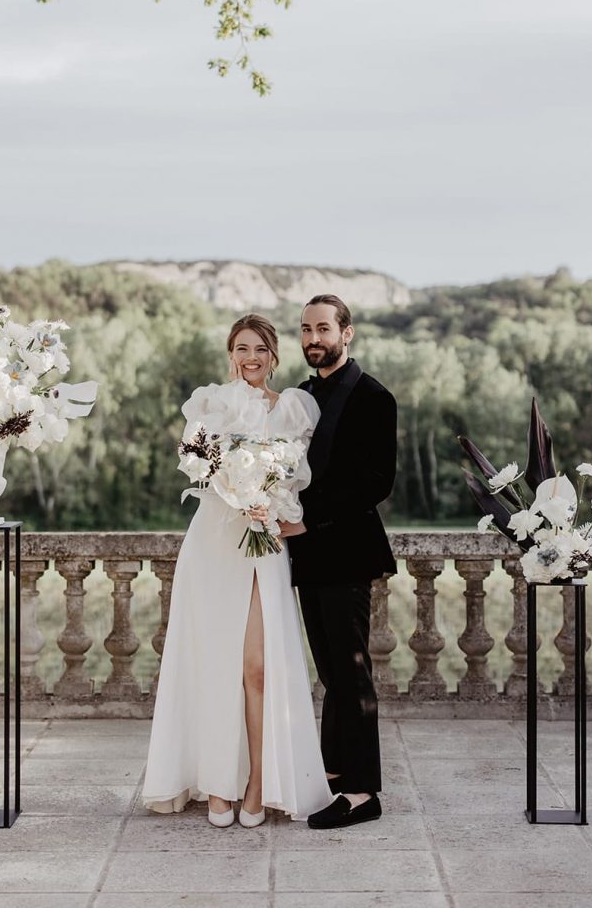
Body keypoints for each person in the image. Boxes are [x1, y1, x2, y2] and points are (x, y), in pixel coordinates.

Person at [142, 313, 333, 827]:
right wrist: (236, 491)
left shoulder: (293, 408)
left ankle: (257, 782)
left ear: (275, 356)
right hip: (214, 540)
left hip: (263, 540)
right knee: (214, 663)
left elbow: (298, 480)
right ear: (231, 354)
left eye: (261, 350)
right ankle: (217, 783)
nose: (252, 358)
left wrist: (269, 506)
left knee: (256, 667)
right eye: (242, 348)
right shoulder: (210, 403)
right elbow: (197, 467)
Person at [279, 294, 397, 830]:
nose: (312, 339)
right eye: (305, 329)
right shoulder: (299, 396)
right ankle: (332, 774)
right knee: (328, 671)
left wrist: (308, 517)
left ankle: (363, 791)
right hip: (307, 555)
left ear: (346, 333)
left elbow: (376, 483)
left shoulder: (374, 397)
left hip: (347, 552)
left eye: (323, 328)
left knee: (351, 672)